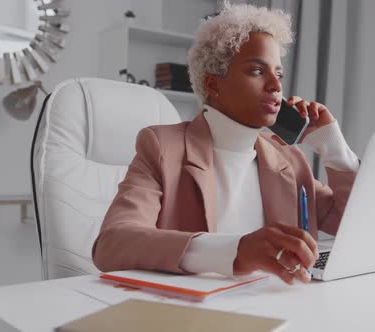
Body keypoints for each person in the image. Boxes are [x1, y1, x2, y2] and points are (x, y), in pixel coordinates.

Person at [92, 3, 359, 285]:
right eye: (257, 71)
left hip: (280, 307)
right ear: (213, 85)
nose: (275, 86)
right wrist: (235, 251)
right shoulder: (162, 147)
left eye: (278, 74)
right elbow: (112, 244)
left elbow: (354, 227)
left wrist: (334, 149)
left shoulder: (289, 160)